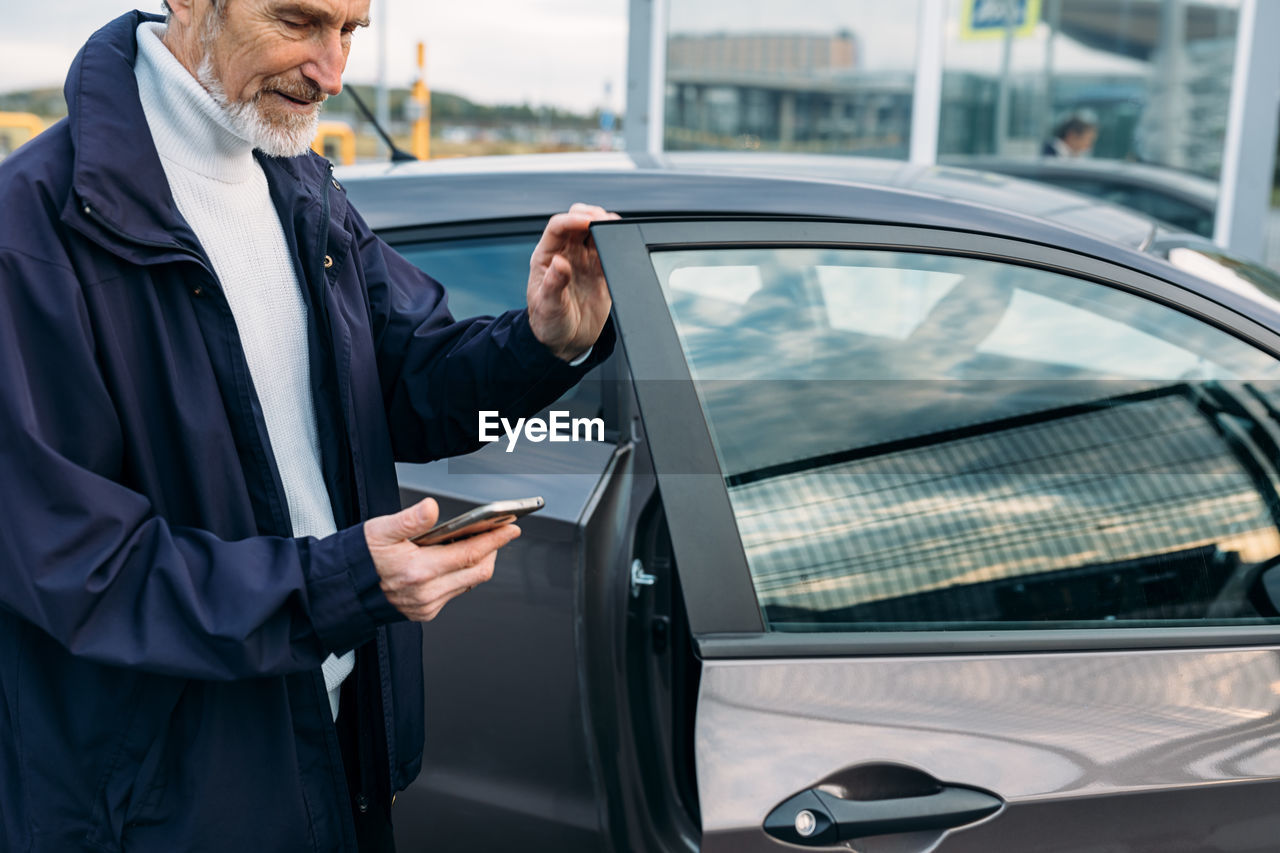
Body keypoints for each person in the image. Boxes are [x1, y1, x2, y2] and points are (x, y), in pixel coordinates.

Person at [0, 1, 616, 851]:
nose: (331, 71)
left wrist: (545, 345)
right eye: (299, 21)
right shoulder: (29, 230)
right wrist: (342, 586)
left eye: (350, 31)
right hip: (161, 806)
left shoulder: (302, 185)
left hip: (333, 744)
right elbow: (81, 568)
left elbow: (408, 386)